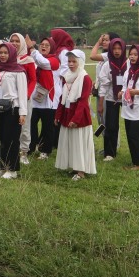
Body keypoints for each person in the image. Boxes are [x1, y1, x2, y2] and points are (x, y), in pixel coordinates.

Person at [0, 43, 28, 179]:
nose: (2, 55)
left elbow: (22, 93)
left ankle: (12, 169)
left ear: (11, 54)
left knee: (11, 139)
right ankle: (2, 166)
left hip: (13, 109)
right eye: (0, 52)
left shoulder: (18, 71)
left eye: (5, 53)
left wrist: (22, 113)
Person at [54, 50, 96, 181]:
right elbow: (62, 98)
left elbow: (83, 101)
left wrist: (76, 119)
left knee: (79, 143)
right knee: (70, 142)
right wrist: (58, 115)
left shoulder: (85, 78)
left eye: (74, 61)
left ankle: (81, 171)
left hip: (79, 116)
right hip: (67, 113)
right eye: (69, 61)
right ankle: (73, 166)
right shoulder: (67, 77)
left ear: (80, 62)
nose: (71, 64)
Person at [91, 34, 126, 161]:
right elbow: (104, 86)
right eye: (114, 48)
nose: (117, 51)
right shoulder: (107, 64)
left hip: (126, 99)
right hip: (111, 99)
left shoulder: (128, 63)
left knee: (133, 127)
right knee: (111, 126)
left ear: (123, 49)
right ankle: (109, 153)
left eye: (119, 48)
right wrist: (101, 104)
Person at [27, 35, 62, 160]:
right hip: (35, 97)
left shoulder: (54, 61)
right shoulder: (35, 59)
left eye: (47, 45)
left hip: (49, 99)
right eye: (42, 44)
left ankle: (45, 150)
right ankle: (31, 147)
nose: (44, 47)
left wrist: (32, 48)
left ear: (52, 48)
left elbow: (44, 63)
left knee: (47, 127)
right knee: (31, 124)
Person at [8, 33, 37, 165]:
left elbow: (33, 79)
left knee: (24, 126)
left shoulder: (28, 60)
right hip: (9, 98)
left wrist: (27, 95)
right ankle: (8, 151)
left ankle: (23, 153)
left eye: (17, 41)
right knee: (8, 125)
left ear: (22, 43)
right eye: (12, 41)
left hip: (24, 98)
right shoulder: (7, 59)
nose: (14, 43)